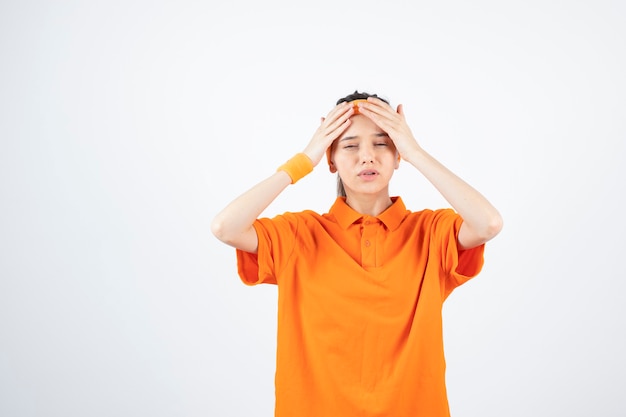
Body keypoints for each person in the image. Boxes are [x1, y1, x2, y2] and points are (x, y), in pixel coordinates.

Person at [211, 91, 503, 417]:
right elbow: (225, 227)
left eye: (382, 143)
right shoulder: (298, 235)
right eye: (350, 145)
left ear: (397, 154)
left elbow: (488, 223)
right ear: (331, 159)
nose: (367, 157)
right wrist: (304, 159)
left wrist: (416, 152)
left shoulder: (431, 233)